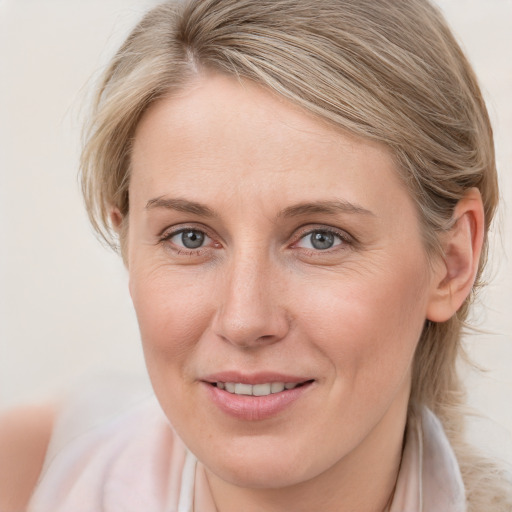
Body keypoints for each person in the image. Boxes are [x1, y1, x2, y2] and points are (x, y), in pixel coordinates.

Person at [1, 0, 511, 510]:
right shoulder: (28, 476)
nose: (245, 320)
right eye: (190, 237)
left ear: (452, 261)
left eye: (321, 238)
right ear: (128, 246)